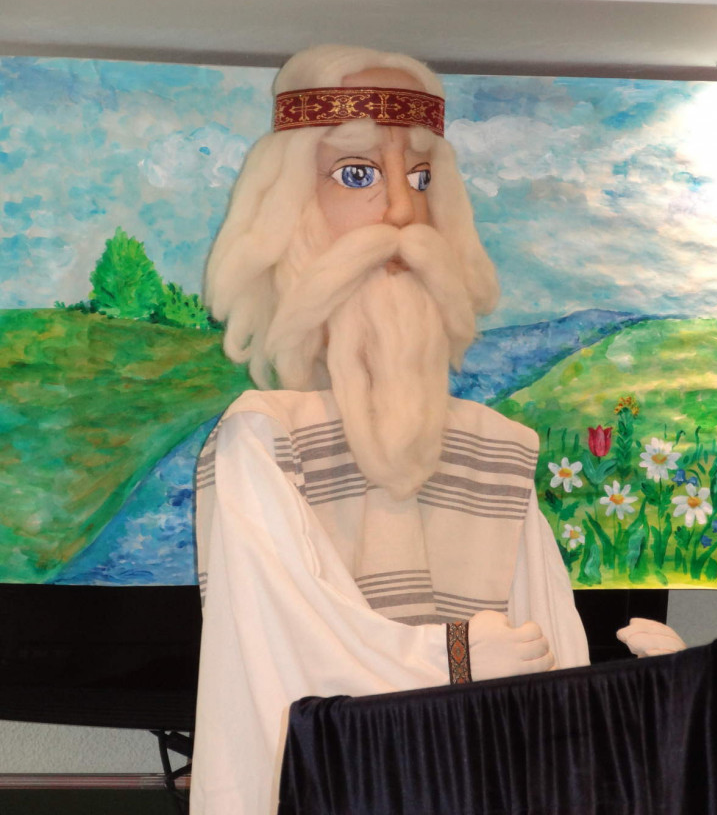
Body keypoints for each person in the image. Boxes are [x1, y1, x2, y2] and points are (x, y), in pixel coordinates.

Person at [190, 45, 683, 815]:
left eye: (420, 180)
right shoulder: (266, 437)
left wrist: (658, 694)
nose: (401, 213)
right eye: (358, 175)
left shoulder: (495, 445)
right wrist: (452, 658)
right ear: (289, 212)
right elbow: (279, 643)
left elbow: (547, 649)